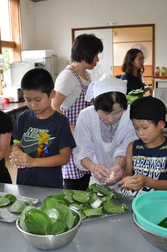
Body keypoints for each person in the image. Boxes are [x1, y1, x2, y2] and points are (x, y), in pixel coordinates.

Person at [52, 33, 103, 190]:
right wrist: (73, 130)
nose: (97, 60)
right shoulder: (68, 76)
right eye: (95, 55)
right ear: (85, 54)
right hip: (71, 135)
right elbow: (54, 107)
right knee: (73, 182)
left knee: (84, 174)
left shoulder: (85, 74)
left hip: (82, 134)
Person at [10, 68, 76, 188]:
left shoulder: (61, 122)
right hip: (24, 182)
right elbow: (16, 144)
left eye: (38, 99)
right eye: (28, 100)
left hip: (49, 184)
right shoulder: (23, 118)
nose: (33, 105)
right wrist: (17, 155)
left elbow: (64, 157)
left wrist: (33, 162)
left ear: (52, 94)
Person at [73, 74, 138, 191]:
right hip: (98, 179)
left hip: (127, 176)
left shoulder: (130, 115)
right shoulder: (86, 116)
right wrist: (93, 167)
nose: (110, 119)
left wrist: (119, 165)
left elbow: (126, 147)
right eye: (105, 113)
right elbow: (81, 150)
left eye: (117, 112)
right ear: (95, 107)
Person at [118, 96, 167, 197]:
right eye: (136, 128)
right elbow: (127, 172)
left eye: (145, 127)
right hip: (132, 199)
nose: (140, 133)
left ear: (161, 124)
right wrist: (127, 179)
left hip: (157, 202)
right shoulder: (132, 147)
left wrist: (146, 181)